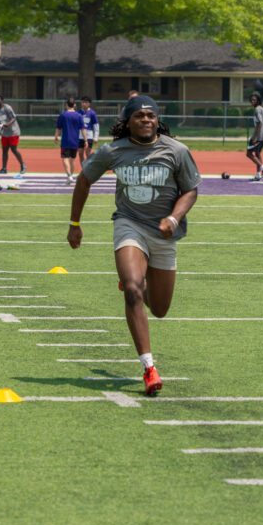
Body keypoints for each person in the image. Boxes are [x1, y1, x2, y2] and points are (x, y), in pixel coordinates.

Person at [66, 94, 200, 396]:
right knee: (133, 290)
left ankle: (133, 281)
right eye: (139, 116)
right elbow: (84, 179)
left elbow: (191, 190)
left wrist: (175, 218)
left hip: (165, 232)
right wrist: (75, 223)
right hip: (129, 224)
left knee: (161, 309)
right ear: (127, 122)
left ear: (158, 120)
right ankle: (149, 367)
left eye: (151, 115)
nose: (146, 120)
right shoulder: (113, 151)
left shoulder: (176, 151)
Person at [0, 94, 25, 177]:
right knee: (4, 150)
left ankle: (23, 166)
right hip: (5, 133)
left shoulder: (7, 108)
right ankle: (4, 169)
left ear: (2, 100)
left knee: (13, 149)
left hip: (13, 132)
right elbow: (1, 124)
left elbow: (14, 118)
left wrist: (8, 124)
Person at [55, 97, 86, 182]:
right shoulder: (79, 116)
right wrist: (86, 140)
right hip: (75, 141)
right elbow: (83, 129)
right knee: (72, 160)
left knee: (65, 158)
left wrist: (56, 137)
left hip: (65, 141)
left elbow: (58, 128)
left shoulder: (63, 115)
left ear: (66, 105)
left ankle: (69, 176)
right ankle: (70, 176)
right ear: (74, 105)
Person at [247, 92, 263, 180]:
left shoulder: (257, 109)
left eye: (254, 100)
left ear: (258, 100)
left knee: (248, 153)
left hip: (258, 136)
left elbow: (259, 123)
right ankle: (258, 175)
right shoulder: (262, 109)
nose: (252, 101)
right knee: (257, 153)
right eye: (251, 99)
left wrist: (255, 137)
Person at [79, 96, 99, 161]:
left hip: (89, 135)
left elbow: (96, 126)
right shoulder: (78, 113)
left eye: (86, 102)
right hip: (80, 136)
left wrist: (96, 137)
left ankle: (89, 168)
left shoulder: (92, 113)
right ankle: (84, 169)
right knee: (80, 153)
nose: (84, 104)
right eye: (82, 102)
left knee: (88, 153)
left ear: (89, 104)